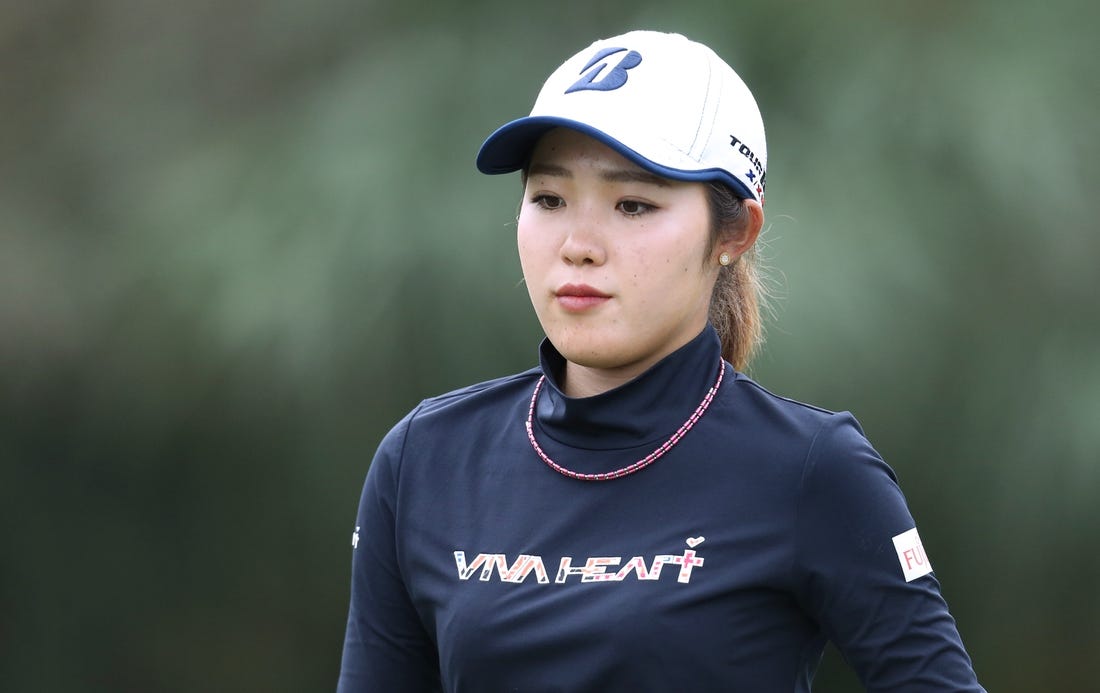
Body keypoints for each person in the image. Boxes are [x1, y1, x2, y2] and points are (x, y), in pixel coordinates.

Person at [337, 30, 984, 692]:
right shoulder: (425, 459)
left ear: (735, 232)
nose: (578, 245)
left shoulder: (813, 469)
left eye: (633, 205)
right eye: (549, 198)